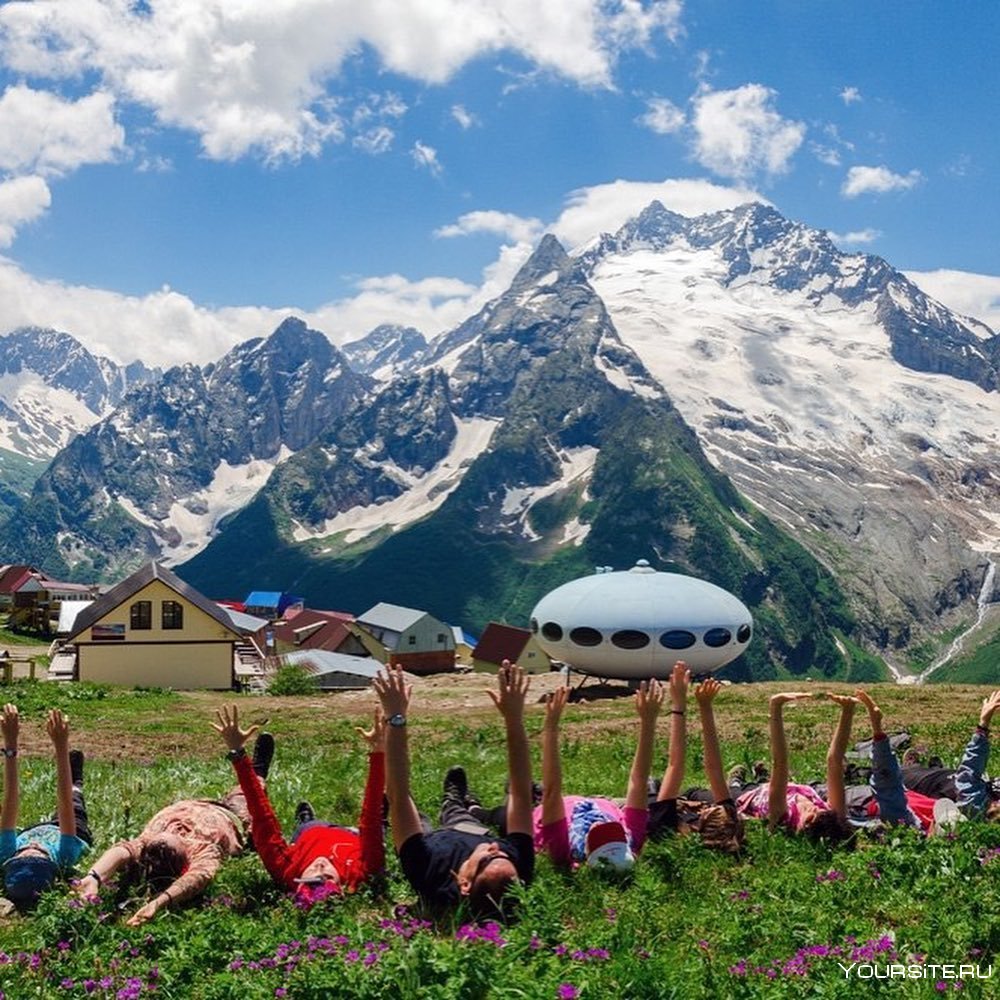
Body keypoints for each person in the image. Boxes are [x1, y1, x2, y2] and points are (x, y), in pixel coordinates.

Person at [373, 660, 534, 920]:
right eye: (501, 853)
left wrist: (396, 718)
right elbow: (521, 793)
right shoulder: (518, 867)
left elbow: (399, 792)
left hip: (428, 842)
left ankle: (445, 807)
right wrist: (514, 718)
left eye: (487, 859)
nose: (494, 847)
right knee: (457, 813)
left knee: (402, 807)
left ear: (464, 884)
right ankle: (454, 804)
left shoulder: (427, 872)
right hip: (467, 830)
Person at [74, 731, 273, 925]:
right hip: (231, 815)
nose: (167, 837)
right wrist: (159, 903)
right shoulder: (202, 851)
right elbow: (198, 878)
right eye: (168, 846)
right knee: (249, 793)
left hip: (196, 803)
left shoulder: (149, 841)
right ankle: (258, 769)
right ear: (183, 862)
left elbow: (121, 851)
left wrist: (94, 877)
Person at [212, 703, 385, 904]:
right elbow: (369, 817)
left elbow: (262, 816)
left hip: (312, 832)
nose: (320, 867)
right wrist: (379, 753)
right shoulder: (363, 871)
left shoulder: (285, 869)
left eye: (310, 875)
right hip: (355, 835)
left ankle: (305, 818)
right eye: (327, 876)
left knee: (307, 826)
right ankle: (386, 816)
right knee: (379, 826)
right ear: (343, 888)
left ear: (297, 883)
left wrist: (238, 754)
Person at [529, 673, 664, 872]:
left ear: (586, 853)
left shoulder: (560, 847)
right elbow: (638, 780)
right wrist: (649, 720)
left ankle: (474, 808)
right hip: (602, 803)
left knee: (517, 795)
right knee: (649, 794)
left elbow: (552, 791)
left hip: (547, 808)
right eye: (614, 833)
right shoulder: (632, 839)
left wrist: (551, 727)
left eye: (598, 836)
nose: (600, 825)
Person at [1, 704, 91, 909]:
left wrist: (10, 742)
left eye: (23, 855)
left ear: (12, 859)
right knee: (74, 798)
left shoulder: (5, 852)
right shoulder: (65, 855)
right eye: (39, 856)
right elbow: (64, 802)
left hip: (36, 829)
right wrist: (61, 746)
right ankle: (76, 778)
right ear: (51, 863)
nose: (32, 848)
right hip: (72, 829)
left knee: (45, 818)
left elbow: (11, 800)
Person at [736, 691, 856, 845]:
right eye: (821, 811)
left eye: (811, 815)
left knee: (734, 789)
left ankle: (737, 780)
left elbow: (780, 763)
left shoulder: (782, 816)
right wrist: (848, 711)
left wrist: (775, 707)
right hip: (788, 788)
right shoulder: (832, 819)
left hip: (752, 795)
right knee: (772, 780)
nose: (814, 808)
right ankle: (761, 775)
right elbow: (835, 762)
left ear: (804, 826)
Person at [647, 672, 746, 854]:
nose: (706, 807)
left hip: (649, 804)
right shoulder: (727, 822)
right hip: (679, 803)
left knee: (650, 785)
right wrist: (705, 706)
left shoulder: (666, 826)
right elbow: (714, 769)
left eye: (708, 810)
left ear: (701, 825)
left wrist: (679, 705)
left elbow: (675, 765)